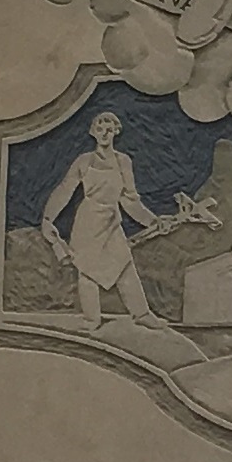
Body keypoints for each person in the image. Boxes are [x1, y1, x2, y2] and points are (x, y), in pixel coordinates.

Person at [40, 110, 174, 328]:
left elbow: (130, 200)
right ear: (93, 132)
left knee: (124, 264)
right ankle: (91, 319)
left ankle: (142, 314)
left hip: (111, 220)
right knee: (86, 269)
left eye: (109, 130)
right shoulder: (84, 161)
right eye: (100, 129)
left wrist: (152, 221)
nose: (104, 133)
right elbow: (65, 189)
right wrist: (48, 218)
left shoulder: (123, 162)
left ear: (116, 132)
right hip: (87, 221)